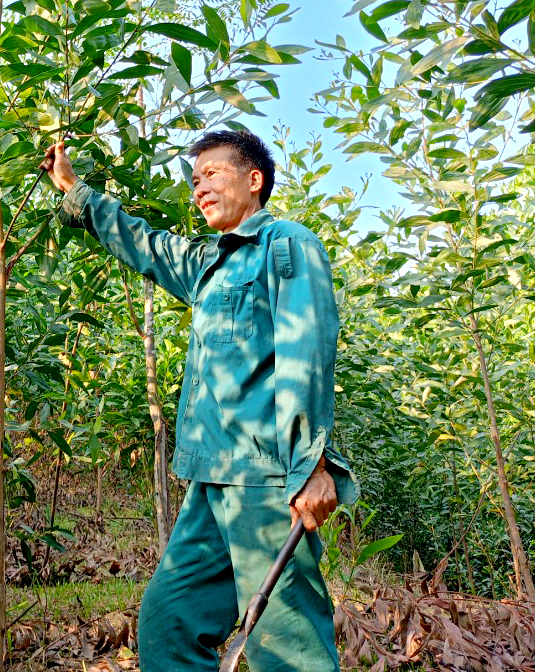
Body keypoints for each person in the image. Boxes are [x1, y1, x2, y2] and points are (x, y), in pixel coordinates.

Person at [41, 130, 357, 672]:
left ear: (253, 181)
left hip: (266, 480)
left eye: (212, 174)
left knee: (287, 647)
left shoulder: (286, 244)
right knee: (168, 623)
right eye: (194, 180)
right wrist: (74, 190)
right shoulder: (208, 263)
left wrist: (312, 465)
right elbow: (144, 243)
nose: (199, 188)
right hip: (210, 480)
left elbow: (307, 354)